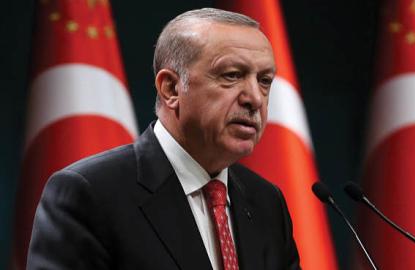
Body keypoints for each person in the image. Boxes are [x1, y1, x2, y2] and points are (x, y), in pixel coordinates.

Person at [27, 8, 300, 270]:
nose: (254, 98)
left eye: (264, 81)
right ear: (171, 88)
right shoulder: (91, 193)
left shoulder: (266, 202)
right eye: (232, 75)